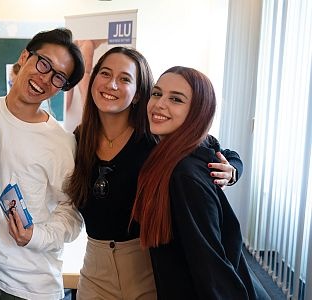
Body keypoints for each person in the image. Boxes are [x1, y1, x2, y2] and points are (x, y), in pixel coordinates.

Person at [65, 47, 243, 299]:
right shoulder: (79, 141)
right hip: (95, 269)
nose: (111, 84)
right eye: (104, 73)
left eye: (125, 78)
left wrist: (233, 169)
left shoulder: (155, 138)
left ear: (138, 94)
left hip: (147, 268)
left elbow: (212, 147)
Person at [0, 28, 85, 300]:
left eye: (58, 77)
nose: (45, 79)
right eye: (43, 64)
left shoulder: (60, 143)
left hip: (27, 285)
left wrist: (35, 236)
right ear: (24, 56)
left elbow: (72, 215)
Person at [132, 66, 267, 299]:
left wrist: (232, 170)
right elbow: (226, 152)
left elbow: (210, 266)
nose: (160, 104)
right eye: (157, 94)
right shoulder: (180, 150)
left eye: (176, 99)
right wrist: (234, 169)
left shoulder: (184, 175)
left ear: (197, 111)